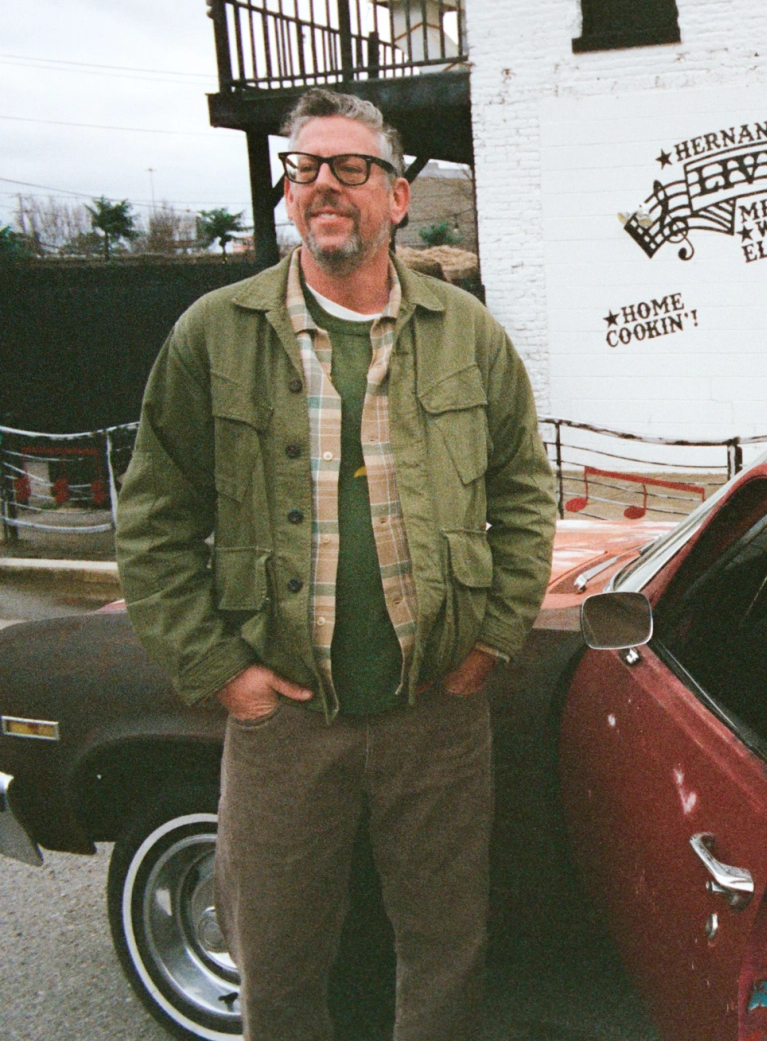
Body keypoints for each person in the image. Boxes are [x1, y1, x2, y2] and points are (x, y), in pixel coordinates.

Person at [115, 88, 556, 1041]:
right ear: (287, 192)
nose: (325, 184)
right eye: (306, 167)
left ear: (396, 196)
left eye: (351, 167)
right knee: (275, 962)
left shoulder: (468, 333)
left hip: (436, 713)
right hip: (282, 724)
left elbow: (525, 492)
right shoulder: (214, 334)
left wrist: (491, 640)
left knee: (445, 953)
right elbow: (151, 522)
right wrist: (222, 672)